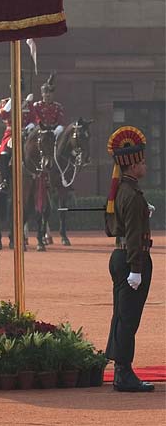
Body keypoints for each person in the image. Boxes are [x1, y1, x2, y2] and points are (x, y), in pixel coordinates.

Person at [104, 125, 154, 392]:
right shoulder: (132, 195)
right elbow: (134, 235)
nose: (145, 165)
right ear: (132, 165)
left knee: (122, 316)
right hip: (132, 259)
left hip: (119, 255)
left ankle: (119, 367)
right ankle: (123, 372)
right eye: (142, 162)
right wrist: (136, 269)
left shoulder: (121, 191)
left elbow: (114, 227)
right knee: (129, 318)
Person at [0, 86, 34, 192]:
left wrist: (30, 125)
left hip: (26, 133)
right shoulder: (5, 102)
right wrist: (12, 99)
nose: (19, 92)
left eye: (20, 90)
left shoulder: (28, 103)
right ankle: (5, 181)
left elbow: (33, 118)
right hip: (11, 134)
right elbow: (3, 115)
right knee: (4, 153)